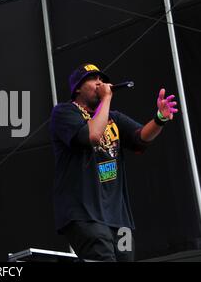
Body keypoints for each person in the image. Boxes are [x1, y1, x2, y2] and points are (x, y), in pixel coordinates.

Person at [49, 63, 178, 262]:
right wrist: (107, 98)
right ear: (77, 88)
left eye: (102, 79)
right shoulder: (64, 113)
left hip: (119, 219)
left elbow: (140, 137)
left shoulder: (113, 118)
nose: (100, 82)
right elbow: (92, 135)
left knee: (126, 259)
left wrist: (160, 118)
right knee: (103, 257)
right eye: (93, 79)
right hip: (85, 215)